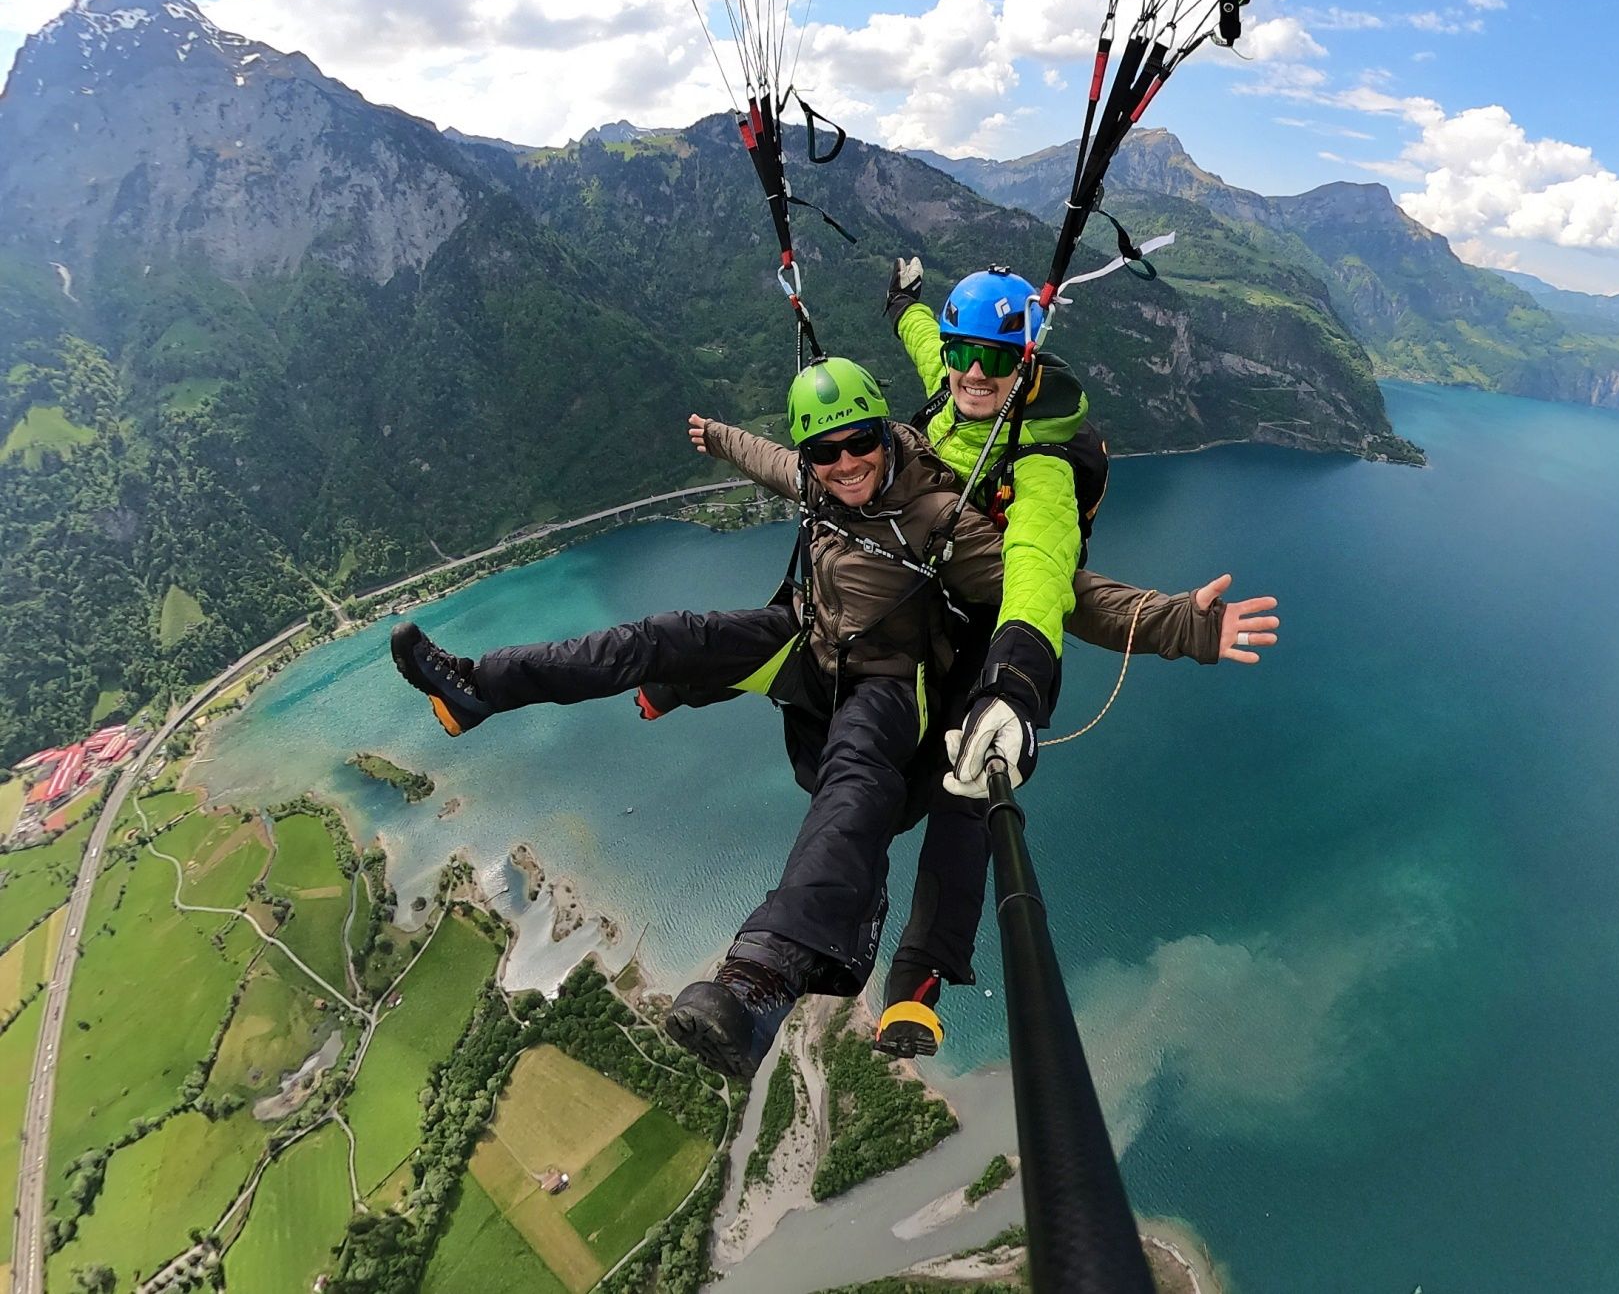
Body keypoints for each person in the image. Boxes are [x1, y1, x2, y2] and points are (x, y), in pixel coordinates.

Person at [392, 356, 1276, 1079]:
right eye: (827, 453)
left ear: (883, 437)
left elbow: (1056, 589)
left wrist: (1186, 626)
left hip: (887, 685)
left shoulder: (939, 521)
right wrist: (718, 438)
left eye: (859, 446)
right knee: (660, 638)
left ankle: (759, 982)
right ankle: (479, 688)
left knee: (854, 785)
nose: (846, 465)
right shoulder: (819, 481)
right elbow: (771, 462)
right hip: (809, 644)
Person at [871, 257, 1106, 1055]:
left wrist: (1014, 682)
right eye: (963, 353)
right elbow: (923, 342)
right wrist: (902, 301)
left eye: (996, 359)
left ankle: (919, 981)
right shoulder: (953, 384)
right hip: (936, 610)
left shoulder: (1041, 459)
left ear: (1025, 365)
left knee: (967, 789)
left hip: (1001, 634)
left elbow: (1038, 559)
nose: (974, 372)